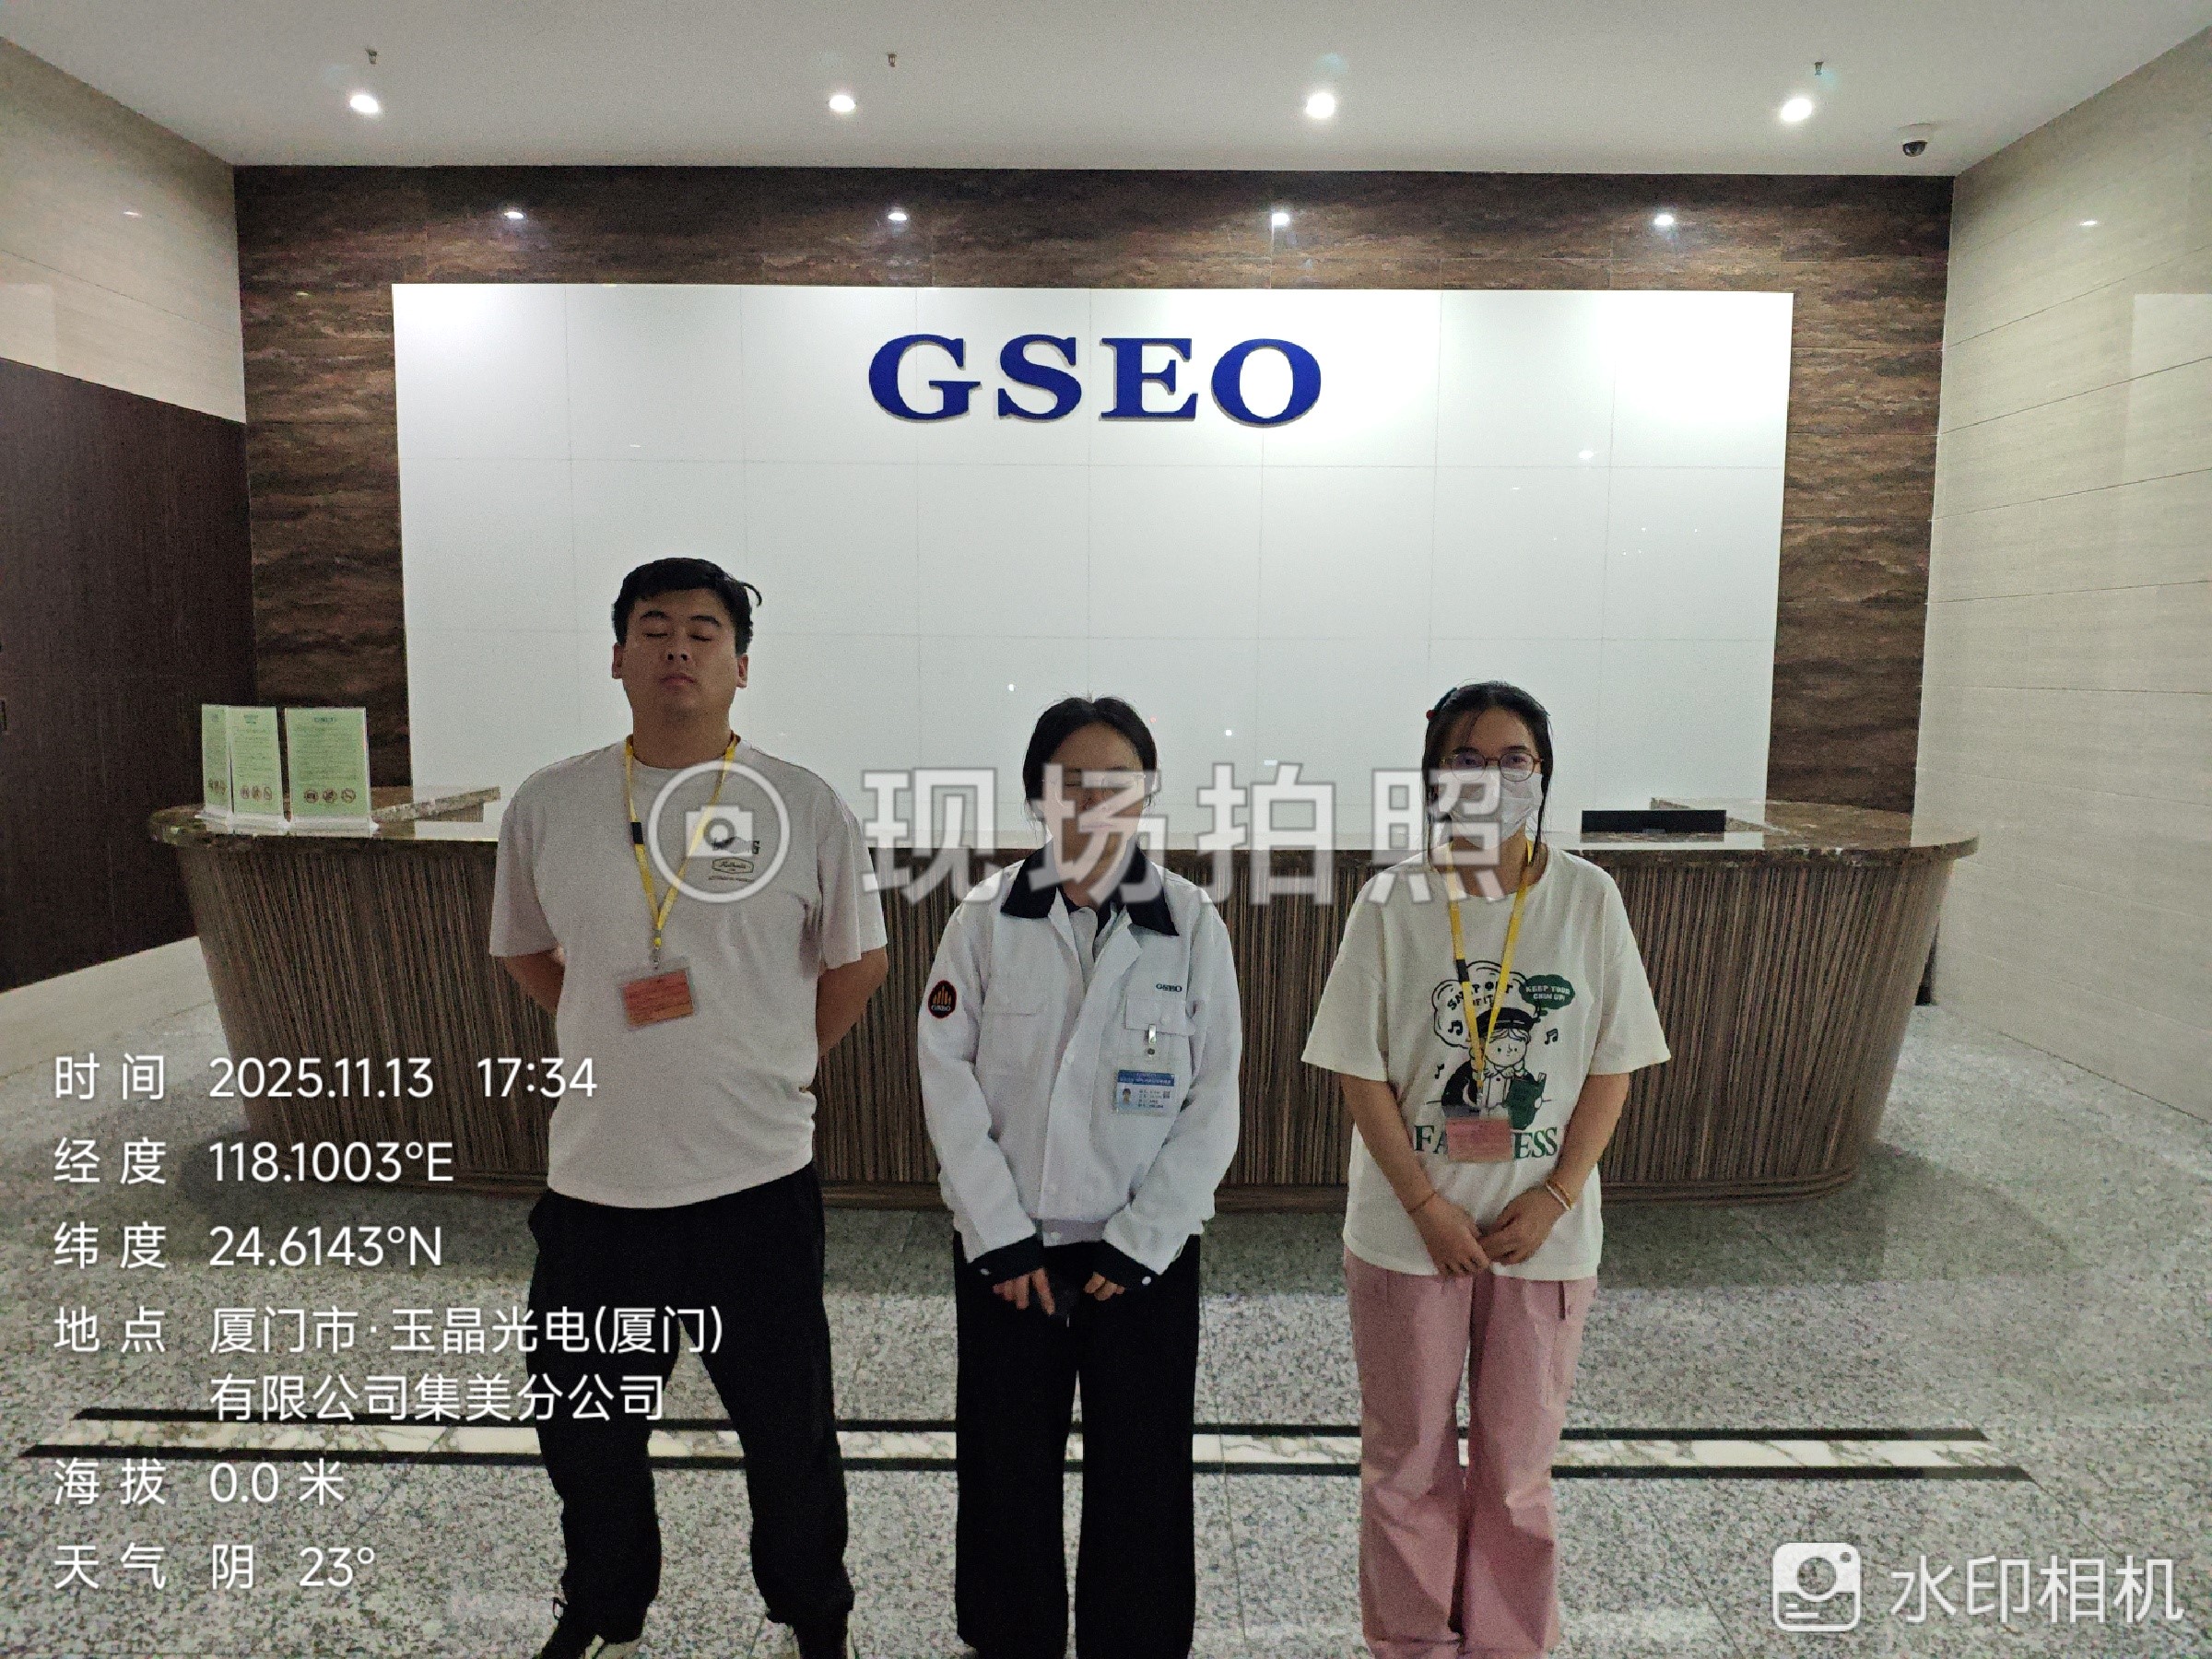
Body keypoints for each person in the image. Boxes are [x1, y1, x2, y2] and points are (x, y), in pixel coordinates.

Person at [490, 557, 888, 1659]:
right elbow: (523, 946)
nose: (679, 648)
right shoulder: (551, 802)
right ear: (617, 657)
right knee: (587, 1428)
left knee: (788, 1433)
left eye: (705, 632)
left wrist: (776, 1058)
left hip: (753, 1186)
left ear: (740, 666)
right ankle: (604, 1603)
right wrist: (610, 1035)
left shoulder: (803, 805)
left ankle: (816, 1613)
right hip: (597, 1189)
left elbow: (858, 961)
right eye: (655, 628)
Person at [1301, 679, 1671, 1659]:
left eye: (1516, 761)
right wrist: (1425, 1203)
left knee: (1516, 1471)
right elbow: (1358, 1067)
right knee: (1407, 1462)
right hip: (1407, 1233)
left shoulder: (1587, 897)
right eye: (1467, 760)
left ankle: (1509, 1645)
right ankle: (1412, 1644)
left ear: (1543, 776)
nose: (1493, 780)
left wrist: (1555, 1196)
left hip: (1540, 1237)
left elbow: (1614, 1063)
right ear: (1433, 777)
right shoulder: (1392, 900)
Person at [915, 695, 1242, 1659]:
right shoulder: (984, 920)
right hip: (1010, 1254)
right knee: (1005, 1461)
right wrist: (999, 1235)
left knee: (1143, 1466)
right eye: (1073, 783)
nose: (1096, 802)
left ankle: (1132, 1641)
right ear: (1038, 796)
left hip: (1141, 1257)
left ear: (1146, 795)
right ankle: (1008, 1637)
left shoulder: (1190, 923)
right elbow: (947, 1083)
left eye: (1118, 783)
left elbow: (1214, 1100)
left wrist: (1146, 1241)